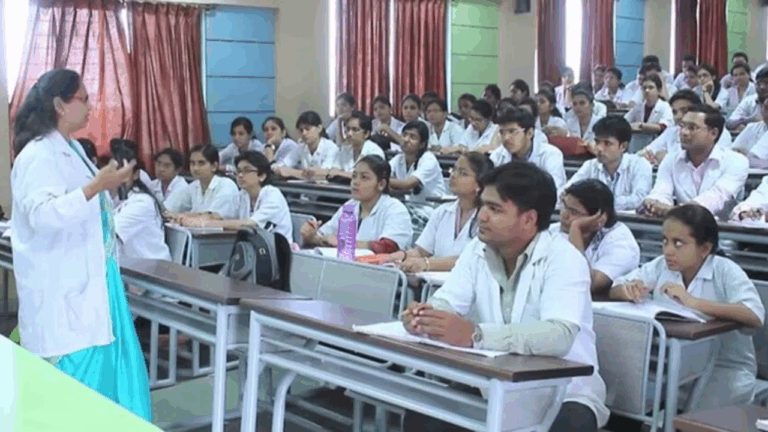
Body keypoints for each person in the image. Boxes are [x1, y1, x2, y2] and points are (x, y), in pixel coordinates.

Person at [401, 161, 609, 431]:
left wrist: (476, 335)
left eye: (495, 209)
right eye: (482, 205)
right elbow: (448, 301)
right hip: (495, 382)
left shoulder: (564, 258)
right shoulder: (477, 249)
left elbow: (558, 335)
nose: (482, 216)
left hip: (563, 391)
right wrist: (425, 317)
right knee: (423, 417)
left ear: (529, 219)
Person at [10, 68, 151, 419]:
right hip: (64, 295)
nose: (91, 107)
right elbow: (42, 215)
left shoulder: (72, 148)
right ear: (60, 104)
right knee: (71, 400)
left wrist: (101, 186)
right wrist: (94, 187)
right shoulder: (38, 155)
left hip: (94, 284)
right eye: (84, 99)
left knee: (105, 388)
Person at [611, 204, 764, 410]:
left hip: (725, 368)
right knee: (630, 403)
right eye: (665, 241)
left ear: (705, 249)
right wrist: (628, 290)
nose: (668, 251)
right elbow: (615, 288)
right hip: (673, 365)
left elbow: (754, 315)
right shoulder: (660, 266)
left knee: (691, 419)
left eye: (678, 243)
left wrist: (692, 302)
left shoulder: (725, 270)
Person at [382, 153, 493, 273]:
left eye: (463, 173)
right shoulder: (442, 212)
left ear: (479, 184)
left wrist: (427, 264)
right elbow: (421, 251)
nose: (453, 175)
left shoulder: (486, 218)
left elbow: (470, 259)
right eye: (454, 169)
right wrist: (401, 256)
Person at [640, 106, 748, 220]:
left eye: (692, 128)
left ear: (713, 133)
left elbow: (715, 198)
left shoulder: (736, 162)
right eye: (682, 126)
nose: (684, 132)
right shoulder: (671, 159)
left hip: (721, 228)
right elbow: (661, 192)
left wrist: (672, 210)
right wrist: (653, 203)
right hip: (679, 225)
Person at [301, 155, 413, 252]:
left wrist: (344, 243)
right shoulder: (350, 206)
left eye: (364, 177)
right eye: (354, 176)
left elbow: (389, 247)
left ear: (381, 184)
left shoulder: (395, 209)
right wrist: (312, 236)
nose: (355, 182)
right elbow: (326, 235)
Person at [180, 151, 293, 242]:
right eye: (238, 171)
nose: (240, 175)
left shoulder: (272, 194)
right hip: (254, 246)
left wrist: (205, 224)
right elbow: (221, 216)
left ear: (262, 176)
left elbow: (250, 224)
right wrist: (188, 219)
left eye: (247, 171)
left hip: (278, 251)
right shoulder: (243, 194)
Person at [552, 179, 640, 294]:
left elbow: (587, 284)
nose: (564, 215)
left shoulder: (622, 244)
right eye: (564, 206)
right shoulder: (553, 231)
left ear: (599, 219)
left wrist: (576, 230)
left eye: (574, 212)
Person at [563, 116, 652, 211]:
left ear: (623, 146)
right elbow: (567, 192)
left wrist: (594, 203)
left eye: (607, 143)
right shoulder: (590, 165)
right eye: (597, 142)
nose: (599, 148)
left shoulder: (640, 165)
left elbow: (639, 199)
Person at [639, 90, 732, 165]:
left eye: (685, 111)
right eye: (675, 112)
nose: (678, 116)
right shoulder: (672, 131)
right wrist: (649, 156)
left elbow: (714, 163)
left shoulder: (717, 133)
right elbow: (644, 153)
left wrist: (667, 158)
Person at [113, 148, 171, 262]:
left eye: (122, 172)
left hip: (154, 267)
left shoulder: (142, 202)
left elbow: (109, 233)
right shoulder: (121, 199)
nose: (116, 178)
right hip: (135, 265)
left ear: (136, 175)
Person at [488, 108, 566, 189]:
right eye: (502, 132)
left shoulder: (550, 154)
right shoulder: (498, 155)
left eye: (512, 131)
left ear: (529, 133)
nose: (506, 138)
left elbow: (556, 188)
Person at [165, 144, 239, 220]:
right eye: (192, 163)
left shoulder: (226, 185)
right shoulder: (194, 186)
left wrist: (179, 216)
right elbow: (167, 208)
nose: (195, 168)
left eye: (201, 163)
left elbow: (212, 217)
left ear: (214, 166)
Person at [388, 121, 447, 204]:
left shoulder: (428, 159)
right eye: (404, 135)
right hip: (409, 205)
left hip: (431, 207)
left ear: (422, 144)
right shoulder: (398, 158)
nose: (406, 140)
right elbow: (383, 173)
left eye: (412, 137)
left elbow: (408, 184)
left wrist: (383, 180)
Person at [274, 111, 339, 180]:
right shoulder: (300, 147)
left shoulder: (331, 147)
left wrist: (291, 172)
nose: (304, 133)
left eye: (307, 129)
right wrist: (302, 173)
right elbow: (279, 166)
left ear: (319, 128)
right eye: (301, 130)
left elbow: (324, 174)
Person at [328, 111, 385, 178]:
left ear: (366, 134)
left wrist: (340, 173)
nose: (349, 134)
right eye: (348, 129)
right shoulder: (345, 149)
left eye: (355, 130)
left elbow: (365, 177)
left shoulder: (374, 152)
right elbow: (333, 171)